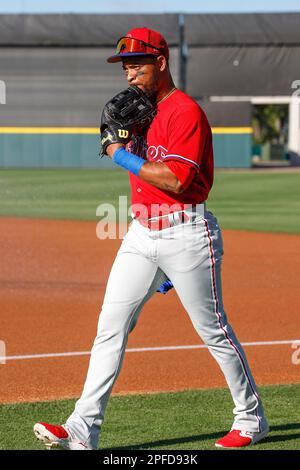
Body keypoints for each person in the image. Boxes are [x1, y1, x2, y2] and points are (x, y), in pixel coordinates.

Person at [33, 27, 269, 450]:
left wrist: (118, 153)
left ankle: (251, 419)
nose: (129, 74)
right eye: (125, 66)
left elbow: (177, 180)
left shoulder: (185, 113)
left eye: (137, 64)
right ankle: (82, 428)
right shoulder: (137, 113)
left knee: (213, 330)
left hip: (187, 232)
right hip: (142, 234)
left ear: (161, 62)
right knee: (110, 328)